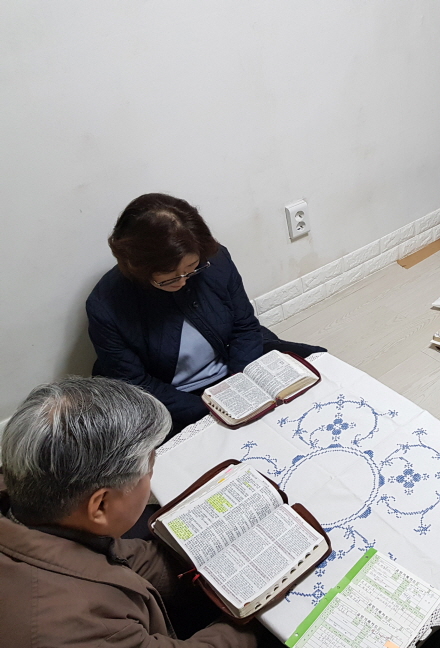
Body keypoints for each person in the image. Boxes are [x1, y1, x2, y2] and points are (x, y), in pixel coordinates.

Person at [0, 376, 269, 646]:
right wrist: (260, 615)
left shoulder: (35, 504)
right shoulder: (76, 628)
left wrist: (214, 553)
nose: (151, 476)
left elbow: (121, 555)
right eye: (148, 471)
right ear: (101, 505)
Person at [87, 193, 325, 434]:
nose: (182, 282)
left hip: (236, 366)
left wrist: (240, 381)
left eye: (191, 269)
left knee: (319, 372)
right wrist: (210, 410)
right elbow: (138, 386)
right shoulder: (106, 306)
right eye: (169, 278)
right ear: (138, 269)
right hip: (174, 398)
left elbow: (244, 326)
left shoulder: (215, 260)